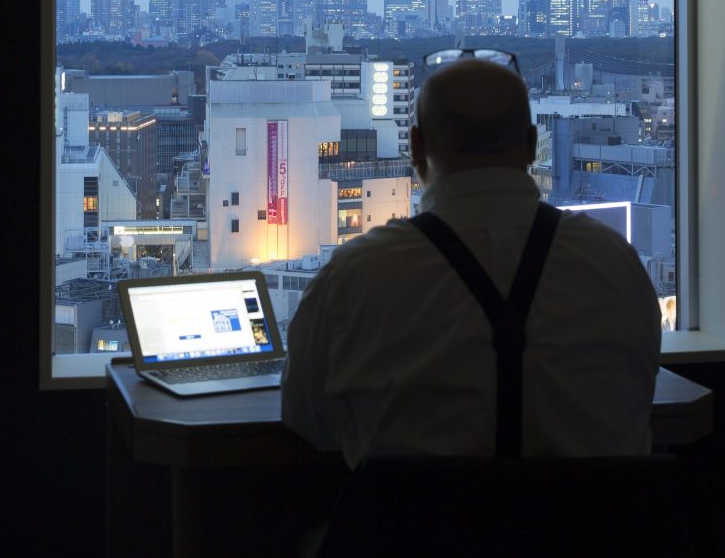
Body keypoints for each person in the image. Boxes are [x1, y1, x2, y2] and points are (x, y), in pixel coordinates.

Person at [280, 56, 661, 467]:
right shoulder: (613, 264)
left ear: (416, 147)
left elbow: (306, 418)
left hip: (410, 531)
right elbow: (640, 391)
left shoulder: (355, 277)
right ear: (533, 145)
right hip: (590, 531)